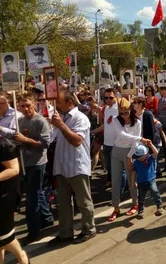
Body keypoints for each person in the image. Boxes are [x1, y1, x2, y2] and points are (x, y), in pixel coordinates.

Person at [0, 94, 53, 245]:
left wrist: (25, 140)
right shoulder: (21, 120)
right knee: (36, 193)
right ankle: (46, 218)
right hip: (25, 163)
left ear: (34, 104)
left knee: (32, 198)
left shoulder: (40, 121)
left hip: (37, 163)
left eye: (28, 105)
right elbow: (16, 136)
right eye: (22, 106)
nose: (26, 109)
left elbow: (45, 143)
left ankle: (33, 231)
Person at [48, 91, 96, 246]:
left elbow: (76, 141)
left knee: (83, 201)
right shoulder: (61, 117)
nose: (56, 105)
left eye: (59, 102)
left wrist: (61, 125)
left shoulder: (80, 118)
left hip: (76, 166)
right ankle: (65, 233)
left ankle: (89, 229)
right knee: (63, 203)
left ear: (69, 102)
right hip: (62, 166)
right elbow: (52, 138)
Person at [108, 98, 147, 222]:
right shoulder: (115, 120)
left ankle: (135, 203)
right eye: (121, 113)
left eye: (126, 112)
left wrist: (130, 156)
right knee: (115, 180)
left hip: (130, 151)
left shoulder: (137, 122)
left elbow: (134, 143)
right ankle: (116, 207)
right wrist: (139, 138)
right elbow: (121, 135)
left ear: (131, 110)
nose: (124, 115)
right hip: (116, 151)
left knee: (131, 179)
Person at [0, 138, 30, 264]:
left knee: (4, 236)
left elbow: (14, 169)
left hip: (4, 197)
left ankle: (22, 257)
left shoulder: (3, 145)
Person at [128, 143, 163, 219]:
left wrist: (151, 145)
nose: (139, 158)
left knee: (155, 192)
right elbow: (133, 173)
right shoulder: (136, 162)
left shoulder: (149, 159)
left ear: (146, 154)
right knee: (141, 197)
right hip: (141, 182)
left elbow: (156, 153)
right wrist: (132, 182)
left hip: (151, 180)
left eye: (141, 157)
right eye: (138, 157)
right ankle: (140, 211)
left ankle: (159, 206)